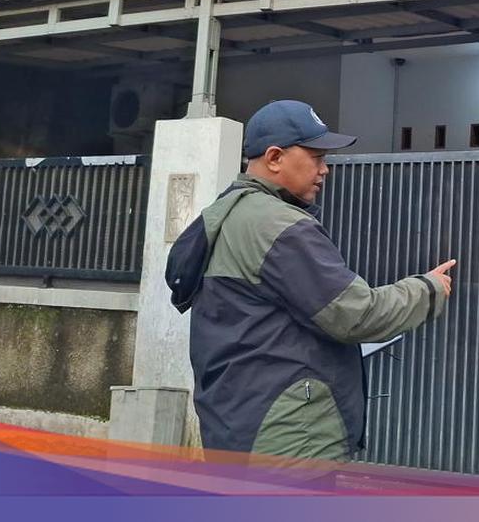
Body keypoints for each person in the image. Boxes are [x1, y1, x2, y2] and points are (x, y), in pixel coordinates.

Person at [169, 99, 456, 462]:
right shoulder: (279, 226)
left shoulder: (225, 214)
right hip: (289, 440)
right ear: (275, 158)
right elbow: (356, 315)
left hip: (237, 424)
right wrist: (427, 289)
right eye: (316, 157)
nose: (325, 170)